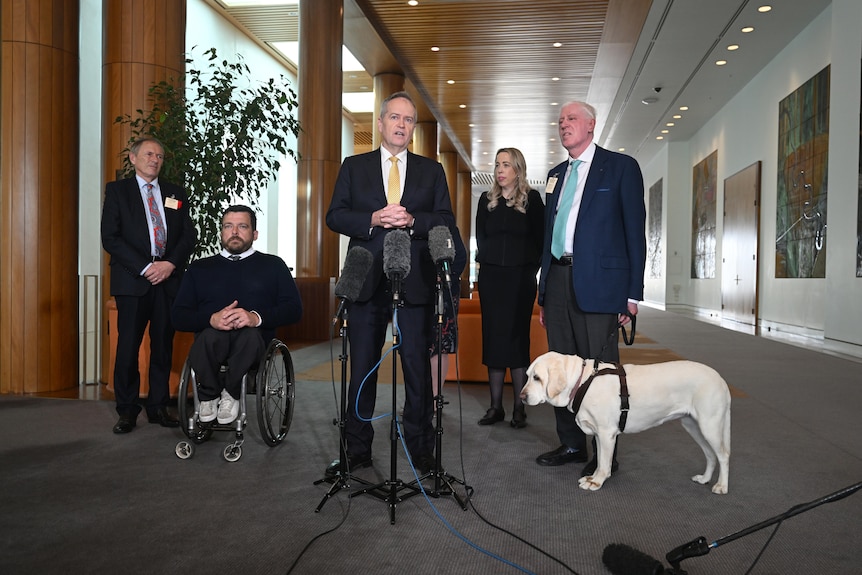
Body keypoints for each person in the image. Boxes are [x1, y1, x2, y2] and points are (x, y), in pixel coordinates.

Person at [325, 91, 456, 476]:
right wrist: (375, 218)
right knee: (362, 367)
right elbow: (336, 216)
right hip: (365, 280)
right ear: (380, 123)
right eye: (394, 117)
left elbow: (445, 219)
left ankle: (420, 449)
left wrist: (414, 220)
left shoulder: (432, 171)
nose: (401, 125)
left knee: (416, 371)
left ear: (413, 128)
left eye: (408, 120)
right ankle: (356, 451)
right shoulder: (354, 165)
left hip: (414, 281)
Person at [535, 101, 646, 477]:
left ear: (591, 126)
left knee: (599, 372)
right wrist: (544, 293)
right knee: (560, 368)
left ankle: (605, 452)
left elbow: (635, 233)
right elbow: (547, 236)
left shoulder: (621, 168)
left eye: (572, 119)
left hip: (601, 285)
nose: (564, 125)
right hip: (558, 281)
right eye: (561, 120)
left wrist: (631, 294)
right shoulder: (554, 175)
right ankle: (569, 442)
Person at [171, 205, 302, 424]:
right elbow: (178, 316)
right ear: (221, 232)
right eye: (228, 226)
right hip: (211, 341)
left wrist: (255, 317)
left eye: (242, 226)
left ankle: (230, 394)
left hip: (254, 341)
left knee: (250, 336)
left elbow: (295, 310)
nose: (234, 232)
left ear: (255, 234)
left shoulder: (273, 266)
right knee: (210, 335)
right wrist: (210, 319)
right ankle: (209, 396)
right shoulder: (199, 269)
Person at [101, 136, 196, 434]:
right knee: (128, 347)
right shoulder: (118, 191)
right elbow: (111, 238)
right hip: (133, 281)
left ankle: (157, 407)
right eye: (149, 154)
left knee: (163, 347)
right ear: (133, 158)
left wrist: (169, 265)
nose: (155, 159)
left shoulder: (175, 193)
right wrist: (145, 268)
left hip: (168, 280)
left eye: (159, 156)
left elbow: (188, 235)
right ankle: (127, 410)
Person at [475, 148, 545, 428]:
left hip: (520, 281)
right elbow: (481, 238)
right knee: (493, 338)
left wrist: (528, 273)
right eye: (497, 165)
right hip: (492, 280)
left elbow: (540, 242)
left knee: (517, 341)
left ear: (518, 169)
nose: (499, 170)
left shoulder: (532, 200)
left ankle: (519, 407)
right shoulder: (486, 200)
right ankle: (495, 407)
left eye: (506, 165)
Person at [429, 227, 467, 408]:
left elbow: (460, 258)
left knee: (440, 346)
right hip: (415, 293)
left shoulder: (447, 226)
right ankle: (418, 399)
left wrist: (443, 277)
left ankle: (435, 398)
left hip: (444, 293)